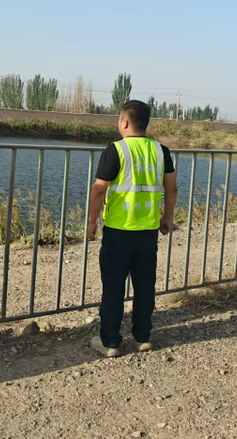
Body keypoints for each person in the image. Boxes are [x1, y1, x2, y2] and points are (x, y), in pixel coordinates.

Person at [86, 100, 177, 357]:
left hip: (118, 230)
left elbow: (99, 189)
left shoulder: (116, 150)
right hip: (147, 231)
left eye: (118, 120)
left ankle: (110, 342)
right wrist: (168, 217)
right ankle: (142, 337)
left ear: (124, 122)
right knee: (145, 286)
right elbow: (171, 188)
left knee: (113, 288)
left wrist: (91, 222)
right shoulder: (161, 151)